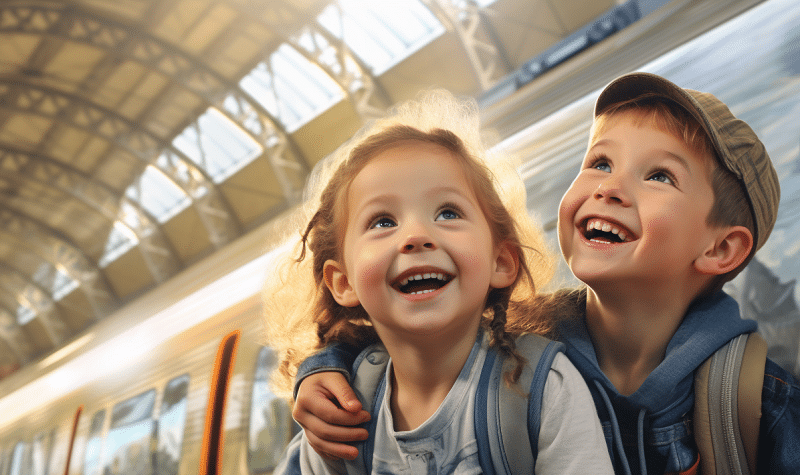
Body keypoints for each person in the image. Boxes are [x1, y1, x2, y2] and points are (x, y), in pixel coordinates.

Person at [290, 72, 800, 474]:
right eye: (600, 162)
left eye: (658, 176)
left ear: (721, 248)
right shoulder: (523, 341)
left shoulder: (756, 399)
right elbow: (413, 336)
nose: (610, 188)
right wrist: (322, 372)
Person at [264, 89, 614, 474]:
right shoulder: (341, 415)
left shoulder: (544, 390)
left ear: (501, 261)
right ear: (342, 282)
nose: (415, 235)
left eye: (448, 213)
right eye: (383, 222)